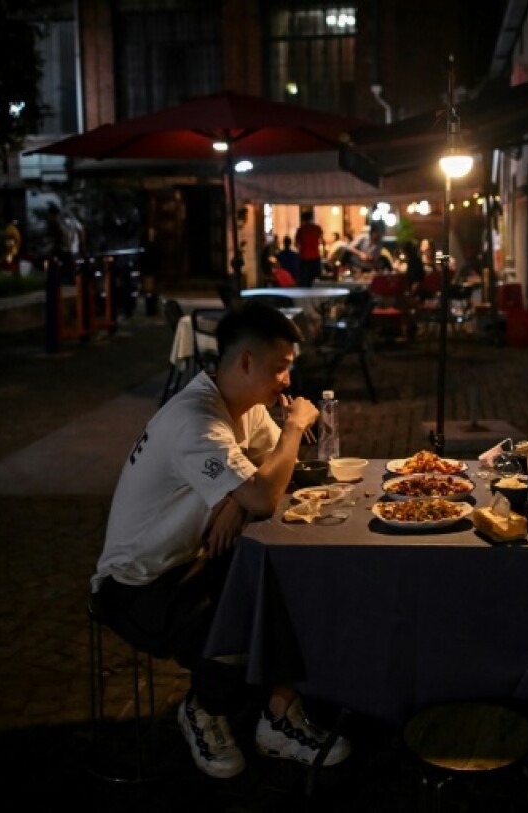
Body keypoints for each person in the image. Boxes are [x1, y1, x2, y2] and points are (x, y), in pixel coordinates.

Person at [89, 301, 352, 779]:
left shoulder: (242, 406)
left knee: (287, 581)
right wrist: (294, 428)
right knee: (247, 621)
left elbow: (267, 477)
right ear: (246, 361)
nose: (287, 382)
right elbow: (265, 493)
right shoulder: (196, 420)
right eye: (280, 368)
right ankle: (203, 710)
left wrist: (236, 502)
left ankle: (277, 717)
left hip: (191, 561)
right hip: (137, 586)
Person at [293, 210, 324, 286]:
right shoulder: (317, 228)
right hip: (315, 256)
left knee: (305, 280)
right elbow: (322, 241)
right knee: (315, 279)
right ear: (311, 218)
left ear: (303, 219)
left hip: (304, 257)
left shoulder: (301, 229)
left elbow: (296, 244)